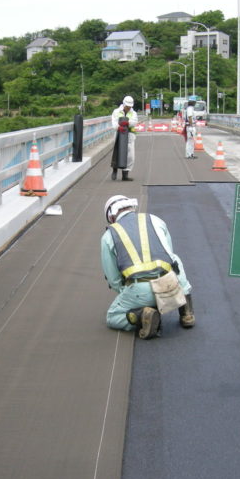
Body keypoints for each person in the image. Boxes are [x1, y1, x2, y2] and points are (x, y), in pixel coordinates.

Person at [100, 195, 195, 339]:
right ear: (132, 207)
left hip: (140, 291)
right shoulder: (155, 220)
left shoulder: (109, 235)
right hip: (170, 284)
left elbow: (113, 278)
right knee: (175, 259)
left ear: (112, 217)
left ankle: (143, 315)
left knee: (112, 317)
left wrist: (127, 294)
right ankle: (186, 311)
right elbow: (169, 254)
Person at [110, 96, 138, 181]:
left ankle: (125, 175)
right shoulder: (116, 111)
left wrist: (128, 123)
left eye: (130, 106)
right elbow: (113, 122)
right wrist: (118, 127)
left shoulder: (133, 113)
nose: (128, 108)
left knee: (130, 156)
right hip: (119, 134)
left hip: (129, 135)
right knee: (117, 153)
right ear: (124, 104)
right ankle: (115, 170)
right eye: (127, 106)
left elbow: (135, 121)